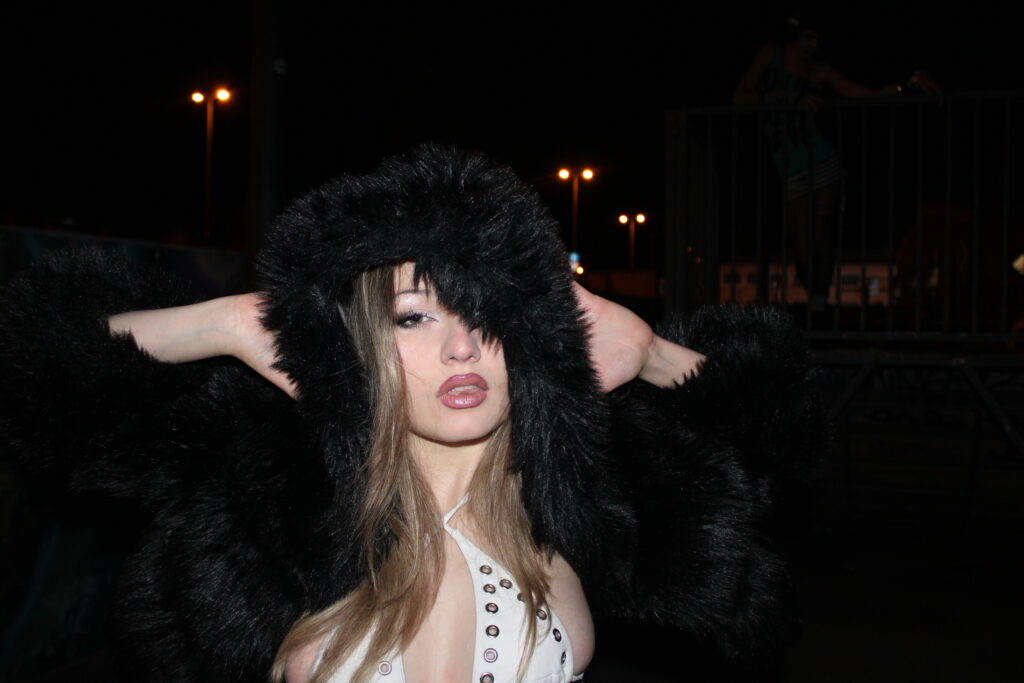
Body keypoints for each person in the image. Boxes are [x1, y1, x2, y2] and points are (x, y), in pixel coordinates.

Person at [0, 145, 824, 682]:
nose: (461, 348)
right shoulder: (277, 490)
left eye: (486, 314)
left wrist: (648, 354)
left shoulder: (580, 492)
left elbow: (774, 439)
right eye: (415, 316)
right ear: (361, 340)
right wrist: (231, 323)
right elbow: (41, 368)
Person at [733, 15, 939, 315]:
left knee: (821, 235)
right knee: (802, 244)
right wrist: (791, 98)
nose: (813, 46)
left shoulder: (819, 71)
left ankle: (819, 303)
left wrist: (907, 84)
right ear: (795, 35)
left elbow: (865, 94)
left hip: (821, 160)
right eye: (808, 38)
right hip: (789, 164)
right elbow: (740, 96)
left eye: (818, 40)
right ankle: (815, 298)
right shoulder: (771, 55)